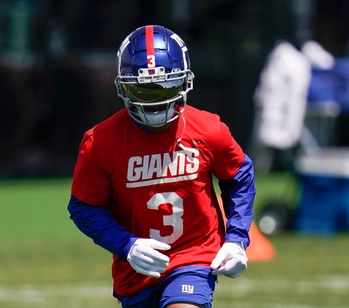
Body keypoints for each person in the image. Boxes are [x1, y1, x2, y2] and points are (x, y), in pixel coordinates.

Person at [67, 25, 256, 308]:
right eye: (142, 90)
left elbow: (239, 174)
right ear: (123, 87)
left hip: (194, 254)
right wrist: (126, 244)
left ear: (184, 83)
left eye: (165, 87)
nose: (155, 102)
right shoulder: (100, 142)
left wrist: (236, 238)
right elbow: (84, 206)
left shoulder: (207, 130)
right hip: (137, 270)